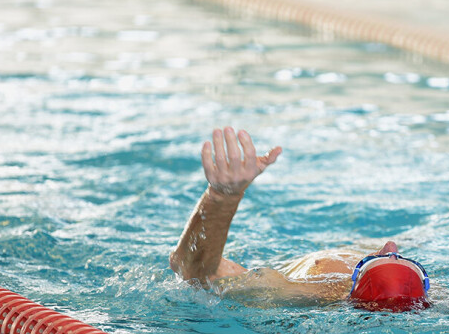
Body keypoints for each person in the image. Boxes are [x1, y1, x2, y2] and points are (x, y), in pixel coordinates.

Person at [169, 127, 430, 311]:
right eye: (405, 260)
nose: (391, 246)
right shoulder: (435, 298)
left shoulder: (295, 292)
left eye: (380, 259)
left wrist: (222, 197)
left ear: (354, 285)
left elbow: (192, 271)